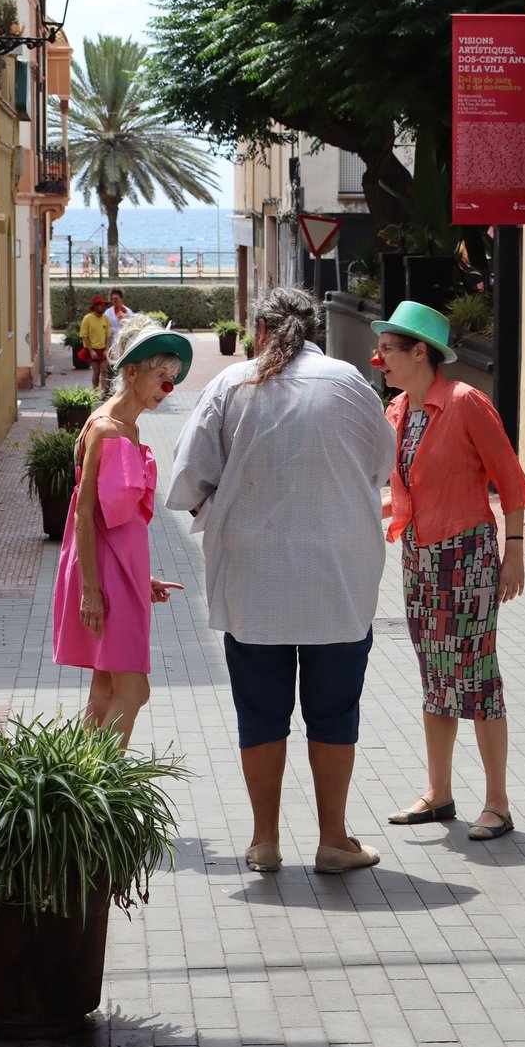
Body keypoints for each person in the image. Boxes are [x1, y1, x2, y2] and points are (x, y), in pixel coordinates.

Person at [166, 287, 396, 875]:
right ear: (312, 329)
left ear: (261, 330)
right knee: (335, 712)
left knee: (260, 713)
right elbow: (382, 466)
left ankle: (264, 841)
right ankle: (333, 839)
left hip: (253, 580)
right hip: (338, 577)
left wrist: (221, 509)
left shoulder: (233, 384)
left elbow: (189, 478)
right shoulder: (349, 382)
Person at [370, 301, 525, 840]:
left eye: (388, 350)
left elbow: (511, 481)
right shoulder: (398, 411)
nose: (379, 359)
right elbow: (406, 494)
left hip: (468, 557)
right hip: (419, 558)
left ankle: (498, 804)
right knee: (435, 677)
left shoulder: (465, 402)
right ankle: (438, 793)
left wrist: (514, 552)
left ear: (421, 352)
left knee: (477, 676)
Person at [52, 315, 192, 748]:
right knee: (133, 690)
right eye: (160, 376)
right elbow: (84, 514)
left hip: (119, 573)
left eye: (172, 378)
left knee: (106, 687)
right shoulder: (106, 428)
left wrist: (139, 577)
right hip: (103, 576)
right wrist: (92, 591)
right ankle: (103, 781)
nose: (167, 387)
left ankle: (78, 782)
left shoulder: (129, 426)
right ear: (131, 372)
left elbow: (116, 519)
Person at [78, 295, 111, 392]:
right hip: (92, 349)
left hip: (103, 349)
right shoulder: (87, 318)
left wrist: (106, 349)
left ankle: (104, 393)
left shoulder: (106, 318)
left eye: (104, 305)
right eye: (101, 305)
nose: (104, 307)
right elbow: (84, 335)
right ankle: (95, 392)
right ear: (95, 306)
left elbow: (107, 335)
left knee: (104, 371)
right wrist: (91, 351)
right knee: (96, 372)